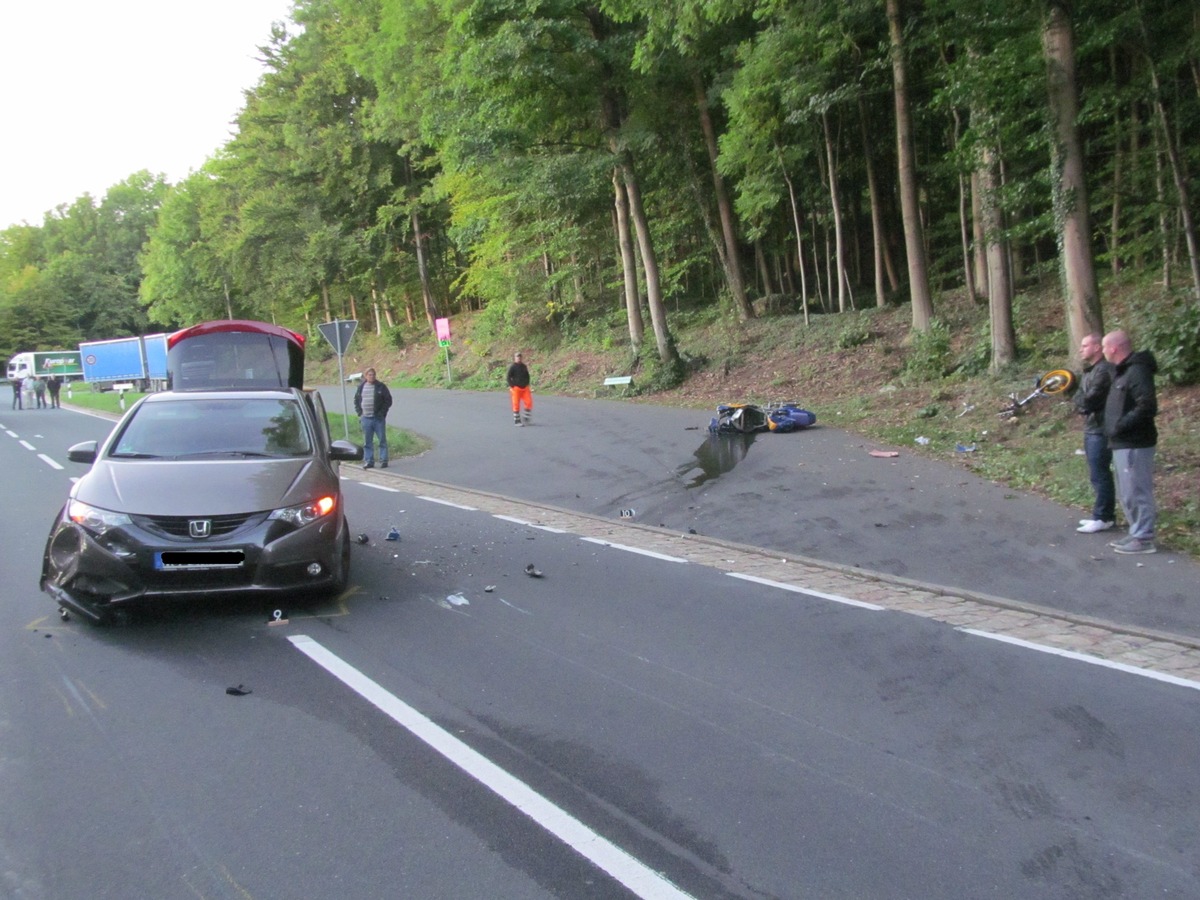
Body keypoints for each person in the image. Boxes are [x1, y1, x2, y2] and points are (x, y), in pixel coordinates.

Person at [1101, 329, 1158, 555]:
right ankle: (1136, 531)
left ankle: (1144, 537)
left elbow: (1147, 406)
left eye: (1105, 347)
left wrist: (1120, 425)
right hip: (1121, 442)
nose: (1103, 351)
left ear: (1114, 348)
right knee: (1127, 492)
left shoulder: (1137, 371)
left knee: (1137, 490)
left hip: (1135, 441)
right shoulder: (1122, 372)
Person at [1072, 333, 1115, 533]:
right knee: (1096, 473)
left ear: (1097, 347)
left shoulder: (1104, 370)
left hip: (1101, 428)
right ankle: (1103, 515)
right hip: (1092, 427)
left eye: (1085, 345)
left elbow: (1090, 400)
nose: (1081, 349)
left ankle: (1104, 517)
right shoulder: (1090, 372)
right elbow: (1080, 398)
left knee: (1101, 473)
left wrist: (1082, 401)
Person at [353, 367, 393, 469]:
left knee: (382, 440)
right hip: (366, 418)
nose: (372, 377)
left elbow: (388, 400)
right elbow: (356, 400)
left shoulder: (381, 387)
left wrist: (382, 413)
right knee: (367, 441)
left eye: (373, 375)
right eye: (369, 375)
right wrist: (359, 413)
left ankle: (384, 460)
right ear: (366, 376)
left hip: (378, 418)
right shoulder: (361, 387)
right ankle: (369, 461)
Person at [506, 351, 533, 426]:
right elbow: (508, 377)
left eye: (520, 357)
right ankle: (517, 421)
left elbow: (527, 375)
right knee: (516, 404)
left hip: (525, 388)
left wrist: (527, 383)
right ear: (514, 358)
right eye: (517, 357)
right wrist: (512, 386)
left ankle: (526, 417)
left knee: (529, 402)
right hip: (516, 388)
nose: (519, 358)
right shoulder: (513, 367)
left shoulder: (524, 366)